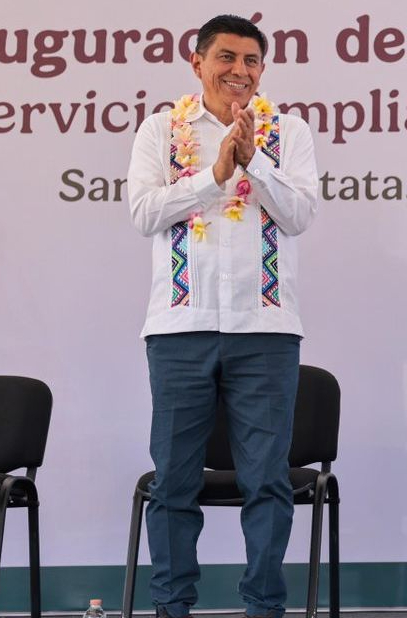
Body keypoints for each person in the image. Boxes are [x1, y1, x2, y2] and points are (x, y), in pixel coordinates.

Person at [126, 14, 318, 618]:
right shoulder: (161, 129)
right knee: (175, 484)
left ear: (263, 69)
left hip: (265, 330)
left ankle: (264, 608)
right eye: (227, 59)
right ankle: (172, 608)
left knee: (268, 483)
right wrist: (213, 176)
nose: (239, 72)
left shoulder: (289, 131)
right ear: (198, 63)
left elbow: (298, 215)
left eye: (251, 62)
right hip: (180, 329)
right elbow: (144, 212)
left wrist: (253, 162)